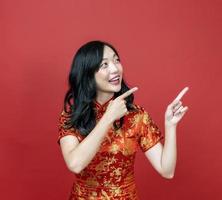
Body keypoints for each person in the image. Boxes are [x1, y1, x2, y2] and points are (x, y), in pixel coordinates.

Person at [57, 40, 189, 199]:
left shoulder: (136, 116)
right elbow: (75, 164)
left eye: (116, 60)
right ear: (87, 73)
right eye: (104, 64)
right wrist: (108, 117)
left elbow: (167, 171)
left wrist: (170, 125)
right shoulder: (72, 115)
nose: (115, 69)